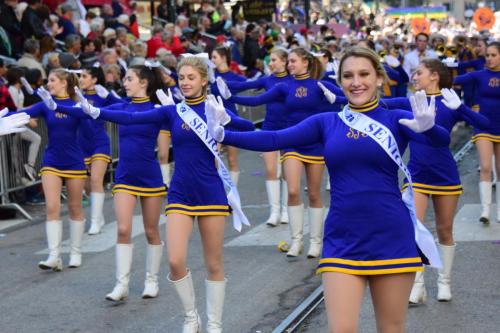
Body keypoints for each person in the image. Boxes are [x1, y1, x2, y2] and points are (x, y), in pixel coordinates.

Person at [208, 46, 450, 333]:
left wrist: (429, 128)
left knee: (391, 328)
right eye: (348, 75)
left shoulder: (396, 118)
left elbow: (441, 141)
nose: (356, 82)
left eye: (364, 74)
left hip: (391, 234)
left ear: (378, 78)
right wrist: (223, 133)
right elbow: (273, 138)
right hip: (342, 237)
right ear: (340, 81)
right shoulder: (327, 122)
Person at [42, 56, 254, 332]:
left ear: (204, 80)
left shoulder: (214, 108)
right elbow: (130, 116)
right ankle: (192, 317)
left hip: (210, 192)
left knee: (213, 263)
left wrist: (226, 121)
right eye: (182, 77)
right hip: (180, 193)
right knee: (176, 260)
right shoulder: (172, 111)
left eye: (191, 77)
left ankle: (214, 324)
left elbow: (249, 128)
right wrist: (96, 112)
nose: (186, 82)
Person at [217, 47, 346, 258]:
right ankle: (296, 241)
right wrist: (230, 97)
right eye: (289, 62)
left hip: (315, 145)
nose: (290, 65)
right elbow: (258, 99)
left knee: (314, 193)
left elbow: (348, 97)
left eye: (294, 61)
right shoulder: (284, 86)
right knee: (293, 190)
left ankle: (315, 241)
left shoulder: (321, 85)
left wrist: (337, 98)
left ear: (306, 62)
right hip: (292, 142)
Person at [382, 58, 489, 304]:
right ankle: (417, 286)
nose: (414, 77)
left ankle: (444, 282)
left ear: (435, 76)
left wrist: (461, 108)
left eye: (418, 72)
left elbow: (486, 125)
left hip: (445, 175)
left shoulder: (448, 102)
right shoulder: (410, 101)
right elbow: (376, 102)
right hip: (416, 174)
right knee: (414, 229)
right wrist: (338, 97)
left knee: (444, 230)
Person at [11, 68, 87, 271]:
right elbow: (21, 114)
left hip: (74, 162)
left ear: (64, 83)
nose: (48, 84)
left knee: (75, 208)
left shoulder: (77, 104)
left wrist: (87, 106)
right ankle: (54, 255)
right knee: (52, 207)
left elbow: (91, 123)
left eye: (52, 80)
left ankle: (75, 251)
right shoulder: (46, 104)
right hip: (52, 161)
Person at [221, 47, 292, 226]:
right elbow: (245, 85)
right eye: (271, 60)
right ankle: (274, 211)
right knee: (270, 170)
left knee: (286, 172)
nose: (271, 63)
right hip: (269, 128)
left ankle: (285, 209)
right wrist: (219, 83)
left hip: (290, 129)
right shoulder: (267, 80)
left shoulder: (293, 81)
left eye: (275, 59)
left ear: (285, 61)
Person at [453, 42, 500, 224]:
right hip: (483, 127)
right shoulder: (480, 75)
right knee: (486, 167)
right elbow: (456, 80)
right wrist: (437, 73)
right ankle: (485, 210)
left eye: (493, 55)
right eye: (487, 55)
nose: (489, 58)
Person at [78, 65, 121, 235]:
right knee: (87, 185)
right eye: (80, 76)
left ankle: (95, 222)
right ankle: (99, 214)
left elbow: (123, 105)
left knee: (96, 180)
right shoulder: (74, 94)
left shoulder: (102, 95)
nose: (81, 79)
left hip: (100, 142)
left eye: (84, 76)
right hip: (81, 144)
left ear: (94, 80)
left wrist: (109, 96)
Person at [210, 46, 246, 186]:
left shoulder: (235, 78)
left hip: (231, 120)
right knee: (214, 159)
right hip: (215, 122)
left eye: (214, 57)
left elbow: (249, 85)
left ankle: (232, 193)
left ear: (224, 58)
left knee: (232, 160)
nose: (212, 60)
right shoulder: (211, 77)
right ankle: (217, 191)